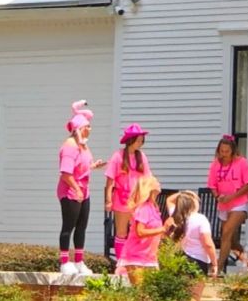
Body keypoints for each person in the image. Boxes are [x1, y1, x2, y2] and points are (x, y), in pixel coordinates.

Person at [57, 100, 106, 275]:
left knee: (82, 226)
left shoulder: (82, 146)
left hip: (83, 191)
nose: (89, 130)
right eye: (87, 127)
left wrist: (94, 166)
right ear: (79, 128)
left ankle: (79, 261)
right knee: (68, 226)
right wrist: (76, 189)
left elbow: (82, 167)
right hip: (71, 192)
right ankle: (64, 262)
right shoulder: (70, 147)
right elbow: (66, 173)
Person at [104, 122, 152, 264]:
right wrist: (108, 200)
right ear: (131, 140)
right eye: (138, 140)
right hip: (122, 199)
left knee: (138, 232)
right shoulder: (118, 156)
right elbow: (110, 181)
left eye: (142, 140)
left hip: (138, 200)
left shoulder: (141, 157)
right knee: (121, 233)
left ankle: (134, 260)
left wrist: (149, 197)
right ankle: (121, 263)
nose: (141, 143)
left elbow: (148, 178)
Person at [206, 134, 248, 272]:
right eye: (221, 151)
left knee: (226, 232)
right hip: (224, 204)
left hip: (240, 203)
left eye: (227, 151)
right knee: (231, 241)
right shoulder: (215, 165)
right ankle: (246, 257)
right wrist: (217, 196)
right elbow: (212, 185)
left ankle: (218, 268)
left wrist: (232, 196)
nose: (224, 154)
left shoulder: (242, 163)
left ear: (232, 151)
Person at [165, 191, 217, 301]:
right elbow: (207, 243)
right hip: (198, 261)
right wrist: (215, 263)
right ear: (193, 204)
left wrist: (182, 193)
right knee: (194, 296)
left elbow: (169, 199)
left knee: (183, 295)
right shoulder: (200, 219)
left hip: (182, 257)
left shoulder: (177, 216)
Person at [117, 176, 167, 286]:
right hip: (136, 257)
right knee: (142, 294)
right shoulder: (144, 208)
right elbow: (140, 232)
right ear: (149, 187)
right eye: (155, 180)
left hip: (150, 257)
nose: (158, 182)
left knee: (152, 292)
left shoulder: (153, 207)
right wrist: (162, 229)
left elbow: (156, 232)